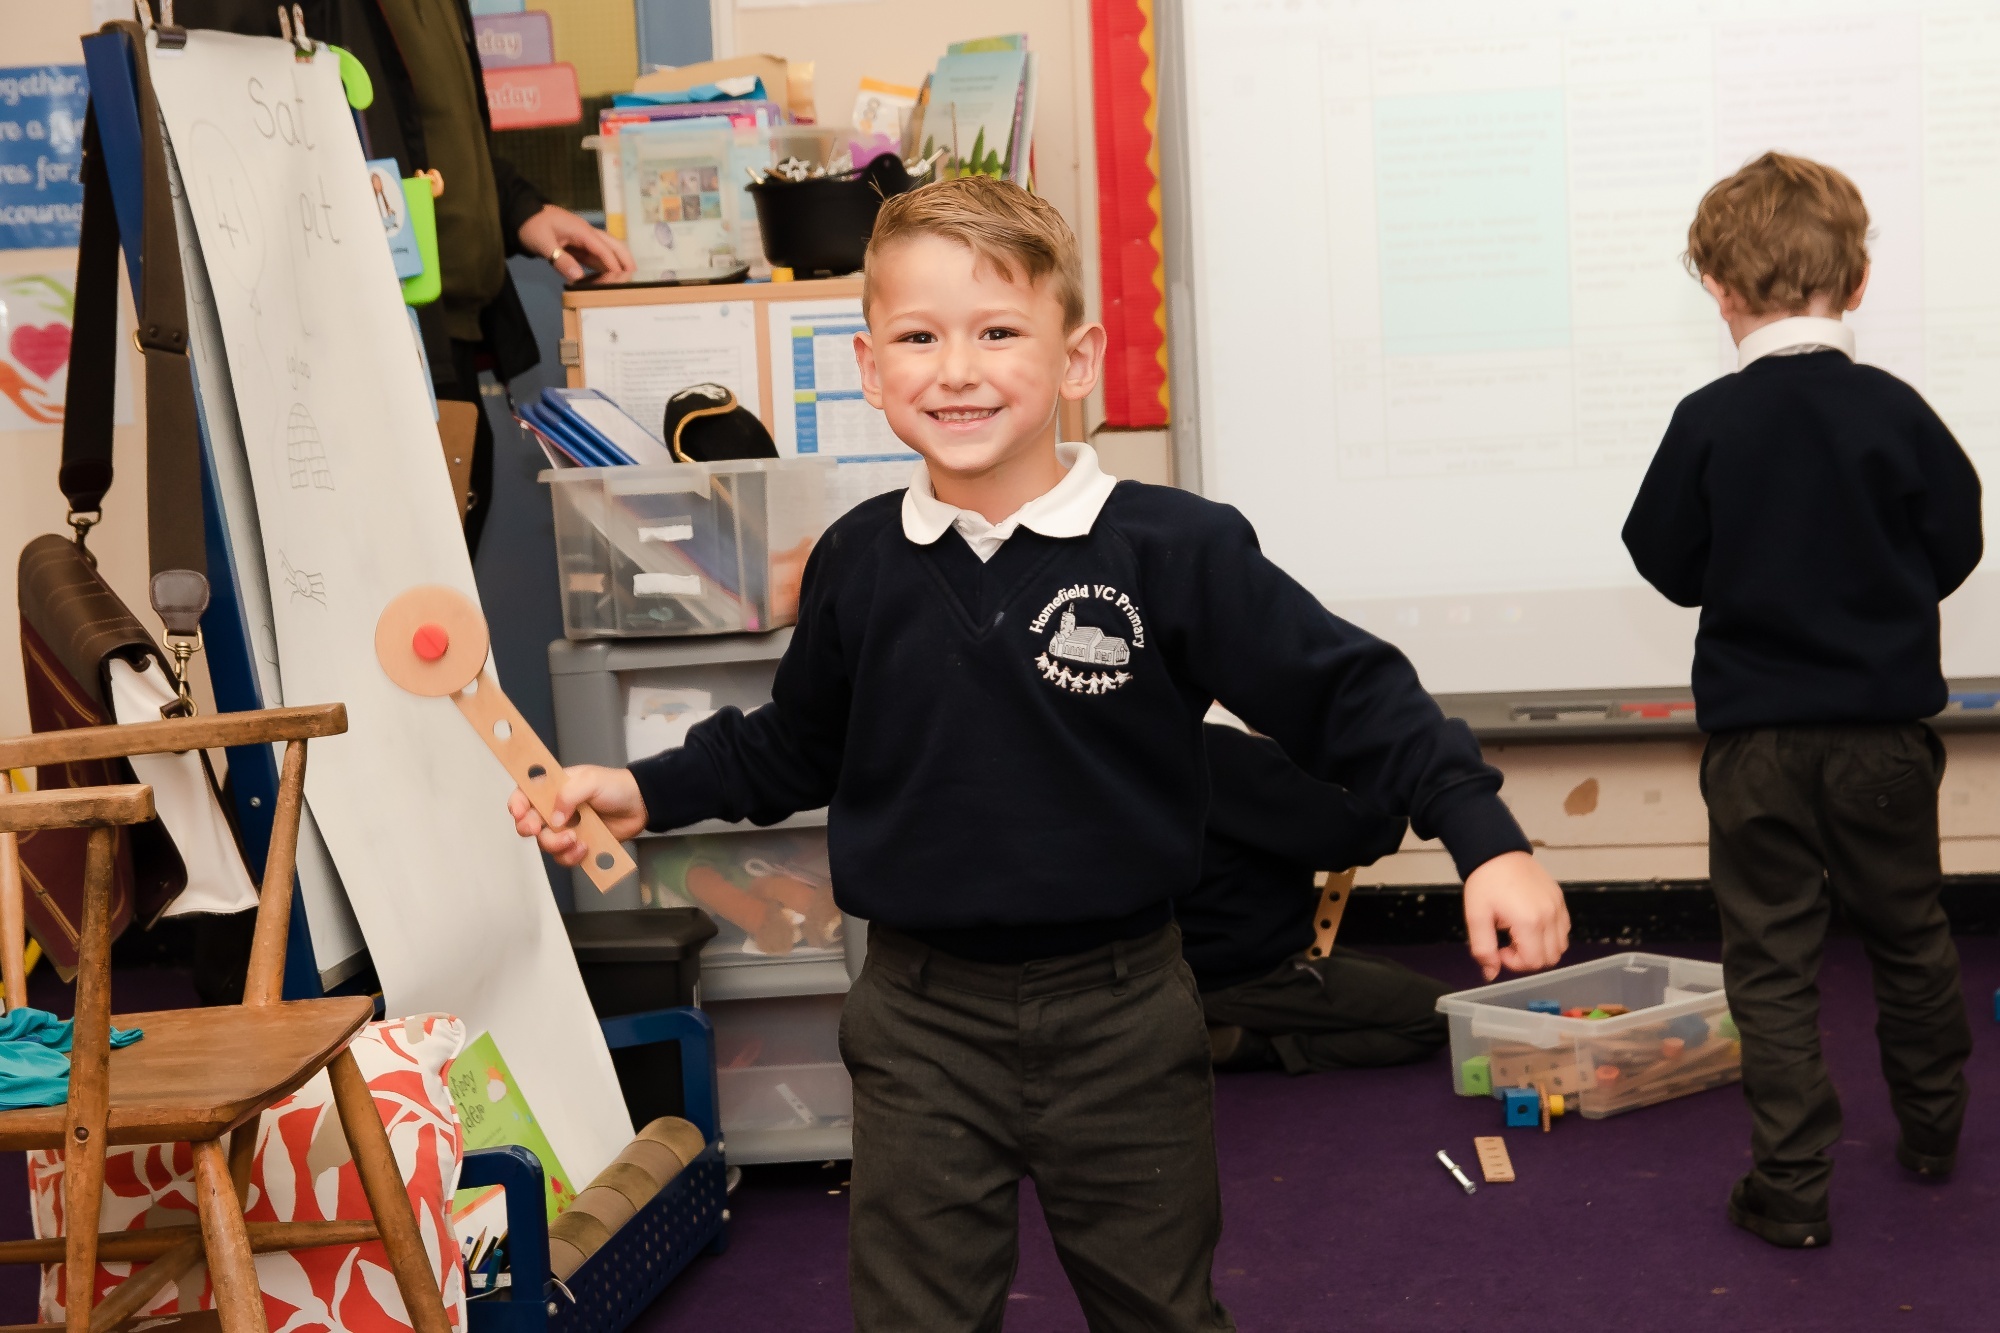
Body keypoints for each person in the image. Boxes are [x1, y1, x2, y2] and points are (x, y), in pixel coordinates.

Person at [513, 176, 1570, 1331]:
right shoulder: (856, 560)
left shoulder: (1174, 547)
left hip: (1122, 1009)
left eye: (997, 332)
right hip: (917, 1014)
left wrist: (1486, 840)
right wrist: (641, 788)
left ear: (1076, 360)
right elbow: (798, 744)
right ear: (869, 367)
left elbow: (1350, 694)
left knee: (1157, 1309)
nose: (954, 370)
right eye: (918, 337)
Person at [1623, 151, 1981, 1251]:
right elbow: (1956, 539)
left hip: (1755, 748)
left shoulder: (1707, 419)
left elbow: (1661, 555)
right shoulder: (1895, 410)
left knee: (1770, 962)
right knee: (1909, 934)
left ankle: (1790, 1190)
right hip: (1882, 742)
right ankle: (1933, 1132)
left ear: (1718, 289)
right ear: (1858, 281)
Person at [176, 0, 634, 552]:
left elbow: (434, 137)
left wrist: (520, 210)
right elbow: (231, 134)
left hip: (450, 346)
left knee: (445, 585)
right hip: (363, 364)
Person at [1188, 718, 1451, 1074]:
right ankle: (1256, 1048)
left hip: (1168, 964)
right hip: (1241, 975)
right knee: (1440, 1011)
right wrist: (1394, 772)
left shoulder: (1150, 740)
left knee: (1385, 974)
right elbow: (1357, 834)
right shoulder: (1222, 750)